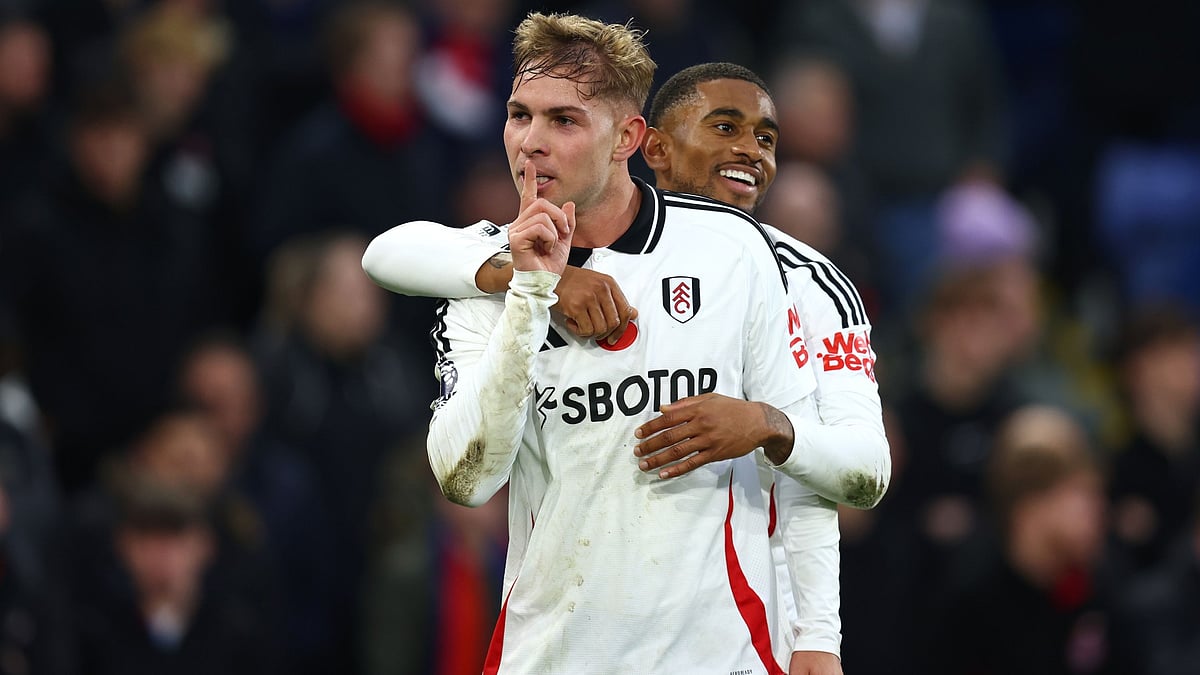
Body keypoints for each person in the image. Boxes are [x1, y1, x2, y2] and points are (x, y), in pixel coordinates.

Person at [366, 14, 888, 669]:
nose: (531, 141)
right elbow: (466, 479)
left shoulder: (735, 254)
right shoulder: (482, 273)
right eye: (519, 115)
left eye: (563, 120)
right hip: (554, 652)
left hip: (722, 651)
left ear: (629, 138)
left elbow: (822, 476)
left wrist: (818, 634)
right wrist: (534, 292)